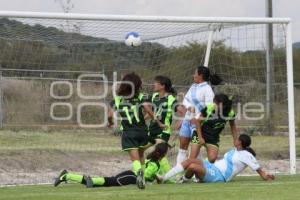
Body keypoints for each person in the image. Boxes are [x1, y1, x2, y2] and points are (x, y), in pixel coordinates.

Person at [107, 72, 167, 189]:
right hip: (142, 132)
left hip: (129, 133)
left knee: (135, 159)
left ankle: (138, 173)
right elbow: (149, 111)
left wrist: (110, 123)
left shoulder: (117, 100)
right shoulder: (141, 97)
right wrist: (159, 123)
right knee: (141, 155)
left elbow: (109, 115)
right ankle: (143, 179)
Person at [162, 134, 275, 183]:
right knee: (190, 160)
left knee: (192, 166)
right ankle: (164, 178)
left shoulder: (246, 155)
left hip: (219, 176)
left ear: (240, 142)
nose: (235, 140)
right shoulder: (235, 150)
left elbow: (257, 168)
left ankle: (183, 180)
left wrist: (265, 176)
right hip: (212, 167)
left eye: (237, 139)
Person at [54, 143, 170, 188]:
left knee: (104, 183)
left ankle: (67, 176)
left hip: (131, 176)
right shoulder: (155, 164)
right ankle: (68, 176)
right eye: (166, 153)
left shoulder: (152, 160)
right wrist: (156, 176)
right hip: (132, 177)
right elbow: (146, 174)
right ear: (162, 154)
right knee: (110, 181)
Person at [177, 66, 222, 164]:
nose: (193, 75)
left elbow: (209, 109)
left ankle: (198, 173)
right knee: (182, 147)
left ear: (200, 75)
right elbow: (185, 100)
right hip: (187, 120)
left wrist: (196, 118)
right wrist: (189, 107)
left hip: (197, 123)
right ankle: (179, 176)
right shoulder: (193, 86)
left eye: (195, 73)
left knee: (194, 151)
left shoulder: (208, 89)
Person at [142, 76, 186, 173]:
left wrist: (180, 123)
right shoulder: (154, 97)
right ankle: (149, 172)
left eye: (156, 83)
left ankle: (169, 176)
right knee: (140, 150)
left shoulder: (170, 99)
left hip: (163, 131)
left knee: (158, 153)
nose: (154, 84)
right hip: (151, 130)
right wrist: (141, 120)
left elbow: (183, 112)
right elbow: (151, 114)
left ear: (162, 86)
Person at [189, 93, 238, 163]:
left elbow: (233, 126)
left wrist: (235, 140)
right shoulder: (209, 108)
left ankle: (201, 166)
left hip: (213, 137)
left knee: (212, 159)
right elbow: (197, 121)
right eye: (214, 103)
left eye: (216, 104)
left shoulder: (230, 113)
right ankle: (185, 173)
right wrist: (200, 137)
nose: (214, 105)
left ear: (223, 106)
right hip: (199, 134)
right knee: (192, 159)